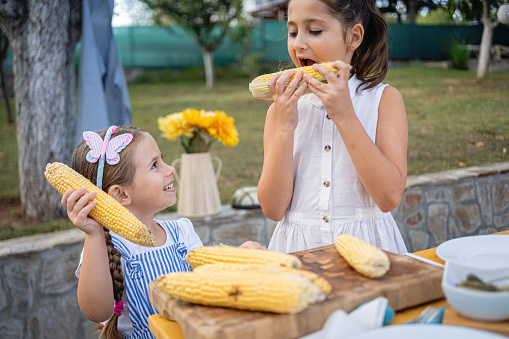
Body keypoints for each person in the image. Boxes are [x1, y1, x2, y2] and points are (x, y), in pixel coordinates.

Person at [63, 125, 263, 339]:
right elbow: (96, 311)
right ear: (121, 195)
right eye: (155, 165)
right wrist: (93, 234)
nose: (170, 169)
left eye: (162, 159)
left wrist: (239, 259)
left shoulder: (182, 231)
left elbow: (210, 283)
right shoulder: (103, 247)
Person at [257, 0, 408, 254]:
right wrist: (285, 128)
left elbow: (388, 197)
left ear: (354, 37)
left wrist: (345, 116)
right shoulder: (278, 112)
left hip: (369, 250)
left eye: (314, 31)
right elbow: (272, 209)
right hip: (298, 253)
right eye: (293, 32)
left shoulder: (385, 101)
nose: (298, 44)